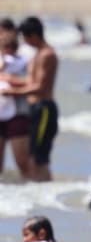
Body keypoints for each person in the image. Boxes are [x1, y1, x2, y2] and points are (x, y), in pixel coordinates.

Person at [0, 17, 59, 182]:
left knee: (39, 159)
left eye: (25, 37)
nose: (24, 42)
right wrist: (10, 78)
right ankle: (39, 191)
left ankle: (45, 191)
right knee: (34, 157)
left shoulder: (47, 54)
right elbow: (30, 81)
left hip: (44, 108)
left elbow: (39, 87)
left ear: (33, 35)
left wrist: (14, 91)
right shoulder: (38, 54)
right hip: (35, 109)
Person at [0, 29, 32, 177]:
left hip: (18, 114)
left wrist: (9, 79)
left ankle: (30, 191)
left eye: (11, 47)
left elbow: (32, 83)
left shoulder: (24, 63)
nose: (8, 50)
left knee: (22, 163)